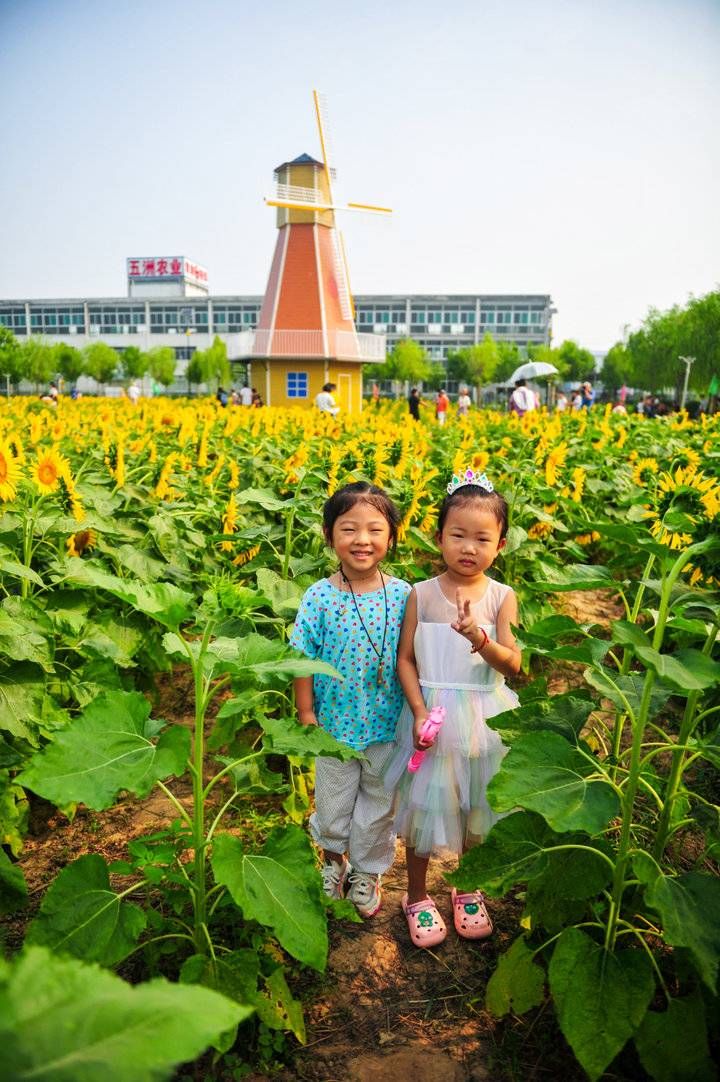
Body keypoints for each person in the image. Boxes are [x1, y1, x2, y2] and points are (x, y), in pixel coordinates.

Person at [385, 470, 521, 948]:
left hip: (484, 717)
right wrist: (419, 710)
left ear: (500, 545)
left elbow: (514, 661)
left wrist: (479, 638)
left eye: (482, 538)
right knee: (424, 807)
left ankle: (467, 888)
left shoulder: (502, 597)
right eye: (458, 535)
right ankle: (417, 895)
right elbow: (405, 659)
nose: (469, 547)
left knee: (474, 807)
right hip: (432, 714)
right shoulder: (420, 594)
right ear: (439, 537)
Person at [290, 482, 412, 918]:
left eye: (375, 529)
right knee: (334, 801)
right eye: (349, 529)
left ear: (392, 537)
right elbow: (301, 658)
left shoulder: (402, 594)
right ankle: (333, 862)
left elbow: (411, 657)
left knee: (379, 803)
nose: (362, 540)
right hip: (333, 725)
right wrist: (306, 713)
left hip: (386, 724)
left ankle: (366, 871)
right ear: (329, 535)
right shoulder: (319, 596)